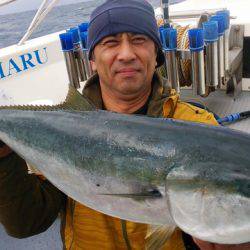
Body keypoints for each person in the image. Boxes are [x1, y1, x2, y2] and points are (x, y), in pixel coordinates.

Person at [0, 1, 249, 249]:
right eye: (110, 43)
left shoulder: (201, 126)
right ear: (93, 60)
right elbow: (26, 224)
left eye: (139, 40)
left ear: (156, 55)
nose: (127, 54)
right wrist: (4, 157)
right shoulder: (60, 129)